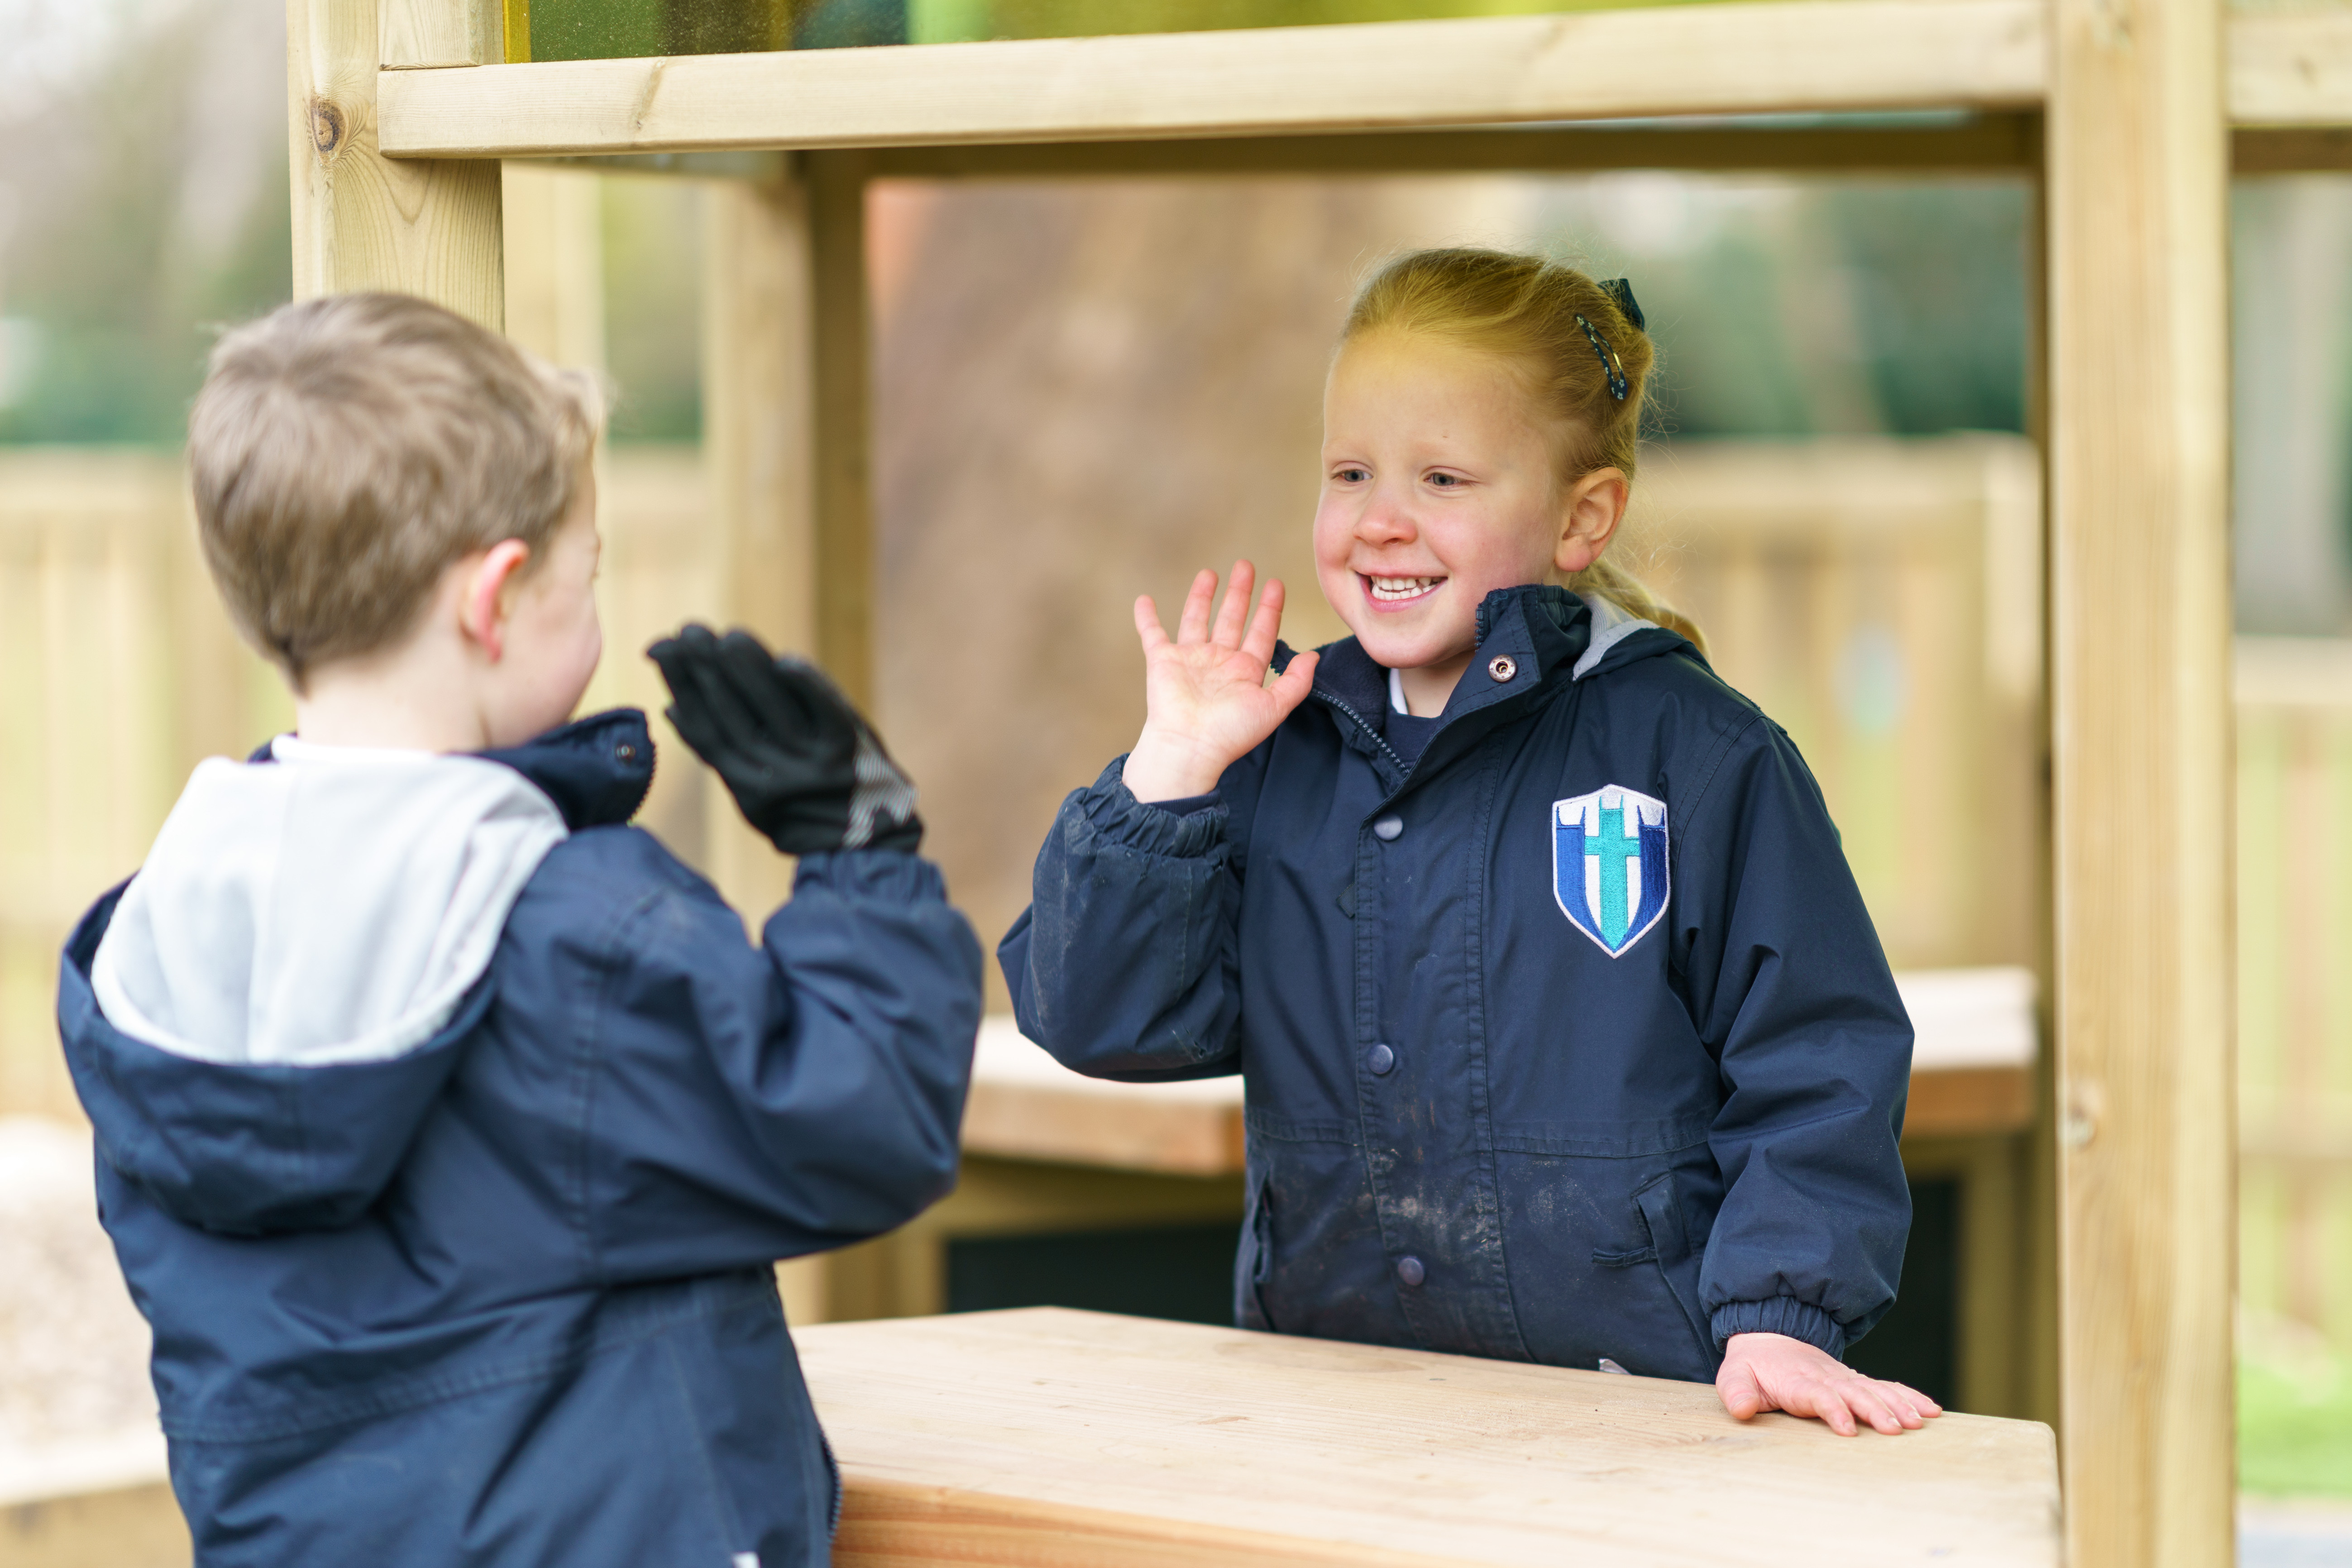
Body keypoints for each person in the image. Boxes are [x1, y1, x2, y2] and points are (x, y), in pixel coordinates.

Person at [56, 292, 983, 1567]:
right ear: (494, 599)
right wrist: (860, 851)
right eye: (584, 574)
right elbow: (862, 1125)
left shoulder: (156, 946)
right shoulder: (570, 930)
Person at [999, 248, 1937, 1438]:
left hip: (1640, 1420)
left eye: (1442, 478)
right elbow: (1096, 1017)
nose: (1380, 520)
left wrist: (1777, 1311)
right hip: (1334, 1406)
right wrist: (1169, 774)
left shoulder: (1695, 758)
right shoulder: (1275, 751)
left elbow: (1817, 1054)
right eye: (1349, 472)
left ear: (1579, 516)